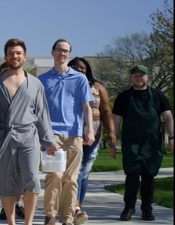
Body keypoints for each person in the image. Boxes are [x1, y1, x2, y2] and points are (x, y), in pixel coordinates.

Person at [0, 39, 57, 225]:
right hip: (2, 136)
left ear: (24, 57)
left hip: (28, 136)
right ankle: (11, 222)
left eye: (18, 53)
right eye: (11, 53)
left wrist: (48, 141)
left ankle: (29, 222)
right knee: (5, 181)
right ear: (5, 57)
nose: (14, 56)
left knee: (32, 178)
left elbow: (42, 113)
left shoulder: (35, 83)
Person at [38, 39, 94, 225]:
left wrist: (90, 130)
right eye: (59, 50)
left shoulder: (80, 79)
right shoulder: (42, 80)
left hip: (74, 135)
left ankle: (67, 219)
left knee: (71, 180)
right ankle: (51, 216)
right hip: (51, 135)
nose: (62, 53)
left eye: (66, 51)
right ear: (52, 52)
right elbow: (38, 110)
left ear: (69, 54)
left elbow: (86, 106)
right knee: (54, 176)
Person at [110, 65, 173, 221]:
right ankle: (129, 208)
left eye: (141, 75)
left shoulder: (158, 96)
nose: (138, 78)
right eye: (135, 76)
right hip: (131, 142)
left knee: (148, 176)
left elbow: (168, 117)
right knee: (132, 175)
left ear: (147, 77)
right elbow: (116, 121)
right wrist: (112, 142)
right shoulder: (123, 97)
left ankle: (147, 209)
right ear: (131, 78)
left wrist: (172, 137)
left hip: (152, 143)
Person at [66, 57, 116, 224]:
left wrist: (112, 132)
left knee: (85, 173)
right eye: (75, 67)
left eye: (83, 67)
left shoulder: (98, 87)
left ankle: (78, 205)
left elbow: (106, 111)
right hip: (73, 136)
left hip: (93, 136)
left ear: (87, 69)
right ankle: (76, 208)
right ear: (69, 68)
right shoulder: (66, 84)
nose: (80, 69)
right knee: (78, 171)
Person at [0, 61, 25, 222]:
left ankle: (17, 203)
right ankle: (7, 208)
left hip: (21, 134)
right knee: (4, 175)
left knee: (20, 174)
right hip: (0, 134)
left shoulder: (24, 86)